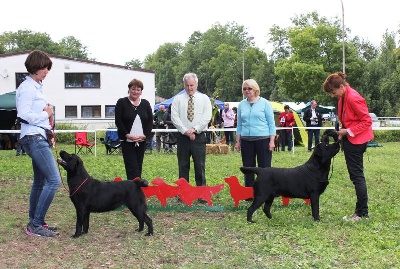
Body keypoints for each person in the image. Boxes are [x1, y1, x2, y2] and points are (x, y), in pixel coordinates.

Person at [16, 50, 61, 238]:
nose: (47, 72)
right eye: (45, 68)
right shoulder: (27, 88)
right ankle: (35, 224)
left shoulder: (36, 87)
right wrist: (46, 114)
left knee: (40, 182)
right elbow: (23, 115)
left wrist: (48, 126)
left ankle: (36, 221)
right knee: (54, 180)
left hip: (38, 136)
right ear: (35, 67)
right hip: (33, 137)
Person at [323, 72, 373, 221]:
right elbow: (348, 118)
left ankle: (362, 213)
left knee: (357, 176)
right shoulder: (344, 96)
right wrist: (342, 132)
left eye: (333, 92)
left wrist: (348, 131)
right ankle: (361, 212)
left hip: (357, 140)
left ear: (342, 86)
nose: (333, 95)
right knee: (355, 176)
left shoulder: (353, 97)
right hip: (350, 138)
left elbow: (367, 121)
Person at [171, 73, 212, 194]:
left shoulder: (204, 99)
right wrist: (185, 131)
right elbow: (174, 117)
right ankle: (183, 193)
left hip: (199, 137)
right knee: (183, 166)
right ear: (184, 85)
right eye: (187, 85)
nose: (190, 88)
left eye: (192, 85)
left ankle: (201, 193)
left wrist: (194, 129)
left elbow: (207, 117)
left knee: (200, 166)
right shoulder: (177, 100)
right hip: (183, 137)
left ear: (196, 84)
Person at [235, 79, 276, 187]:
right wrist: (238, 141)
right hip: (246, 140)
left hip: (263, 139)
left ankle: (265, 191)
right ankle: (249, 192)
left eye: (249, 88)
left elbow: (271, 124)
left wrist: (272, 141)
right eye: (244, 89)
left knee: (264, 168)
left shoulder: (265, 103)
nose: (247, 91)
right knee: (248, 168)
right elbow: (239, 125)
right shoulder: (241, 105)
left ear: (255, 89)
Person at [115, 78, 153, 180]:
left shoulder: (145, 104)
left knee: (138, 165)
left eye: (138, 90)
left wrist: (145, 135)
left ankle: (137, 189)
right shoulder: (121, 102)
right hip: (127, 141)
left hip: (141, 141)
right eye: (133, 89)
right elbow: (118, 121)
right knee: (131, 166)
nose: (135, 92)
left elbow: (150, 121)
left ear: (141, 92)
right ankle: (132, 189)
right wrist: (127, 134)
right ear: (129, 90)